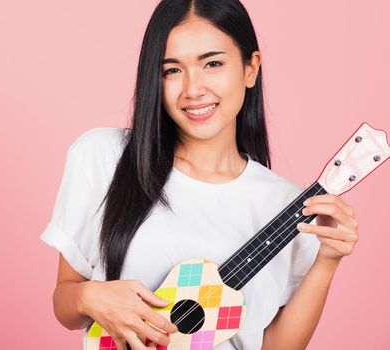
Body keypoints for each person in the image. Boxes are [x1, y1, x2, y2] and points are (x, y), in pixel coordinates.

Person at [40, 0, 359, 349]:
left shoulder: (289, 207)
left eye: (213, 64)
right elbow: (65, 303)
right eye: (171, 70)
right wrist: (90, 297)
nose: (193, 89)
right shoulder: (104, 156)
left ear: (250, 68)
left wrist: (327, 262)